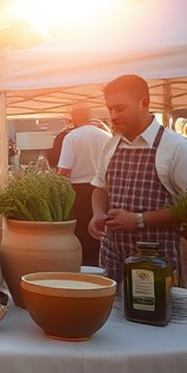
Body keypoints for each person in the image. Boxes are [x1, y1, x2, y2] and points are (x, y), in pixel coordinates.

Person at [89, 75, 187, 283]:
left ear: (144, 103)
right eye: (110, 109)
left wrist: (139, 220)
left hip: (156, 261)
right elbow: (100, 188)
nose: (113, 116)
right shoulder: (111, 145)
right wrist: (97, 213)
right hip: (112, 255)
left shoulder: (176, 147)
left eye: (120, 108)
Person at [56, 104, 111, 267]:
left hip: (78, 190)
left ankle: (84, 265)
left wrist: (56, 187)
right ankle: (99, 264)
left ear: (74, 117)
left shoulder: (72, 137)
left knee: (81, 231)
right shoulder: (106, 135)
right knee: (100, 229)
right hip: (102, 188)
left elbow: (64, 169)